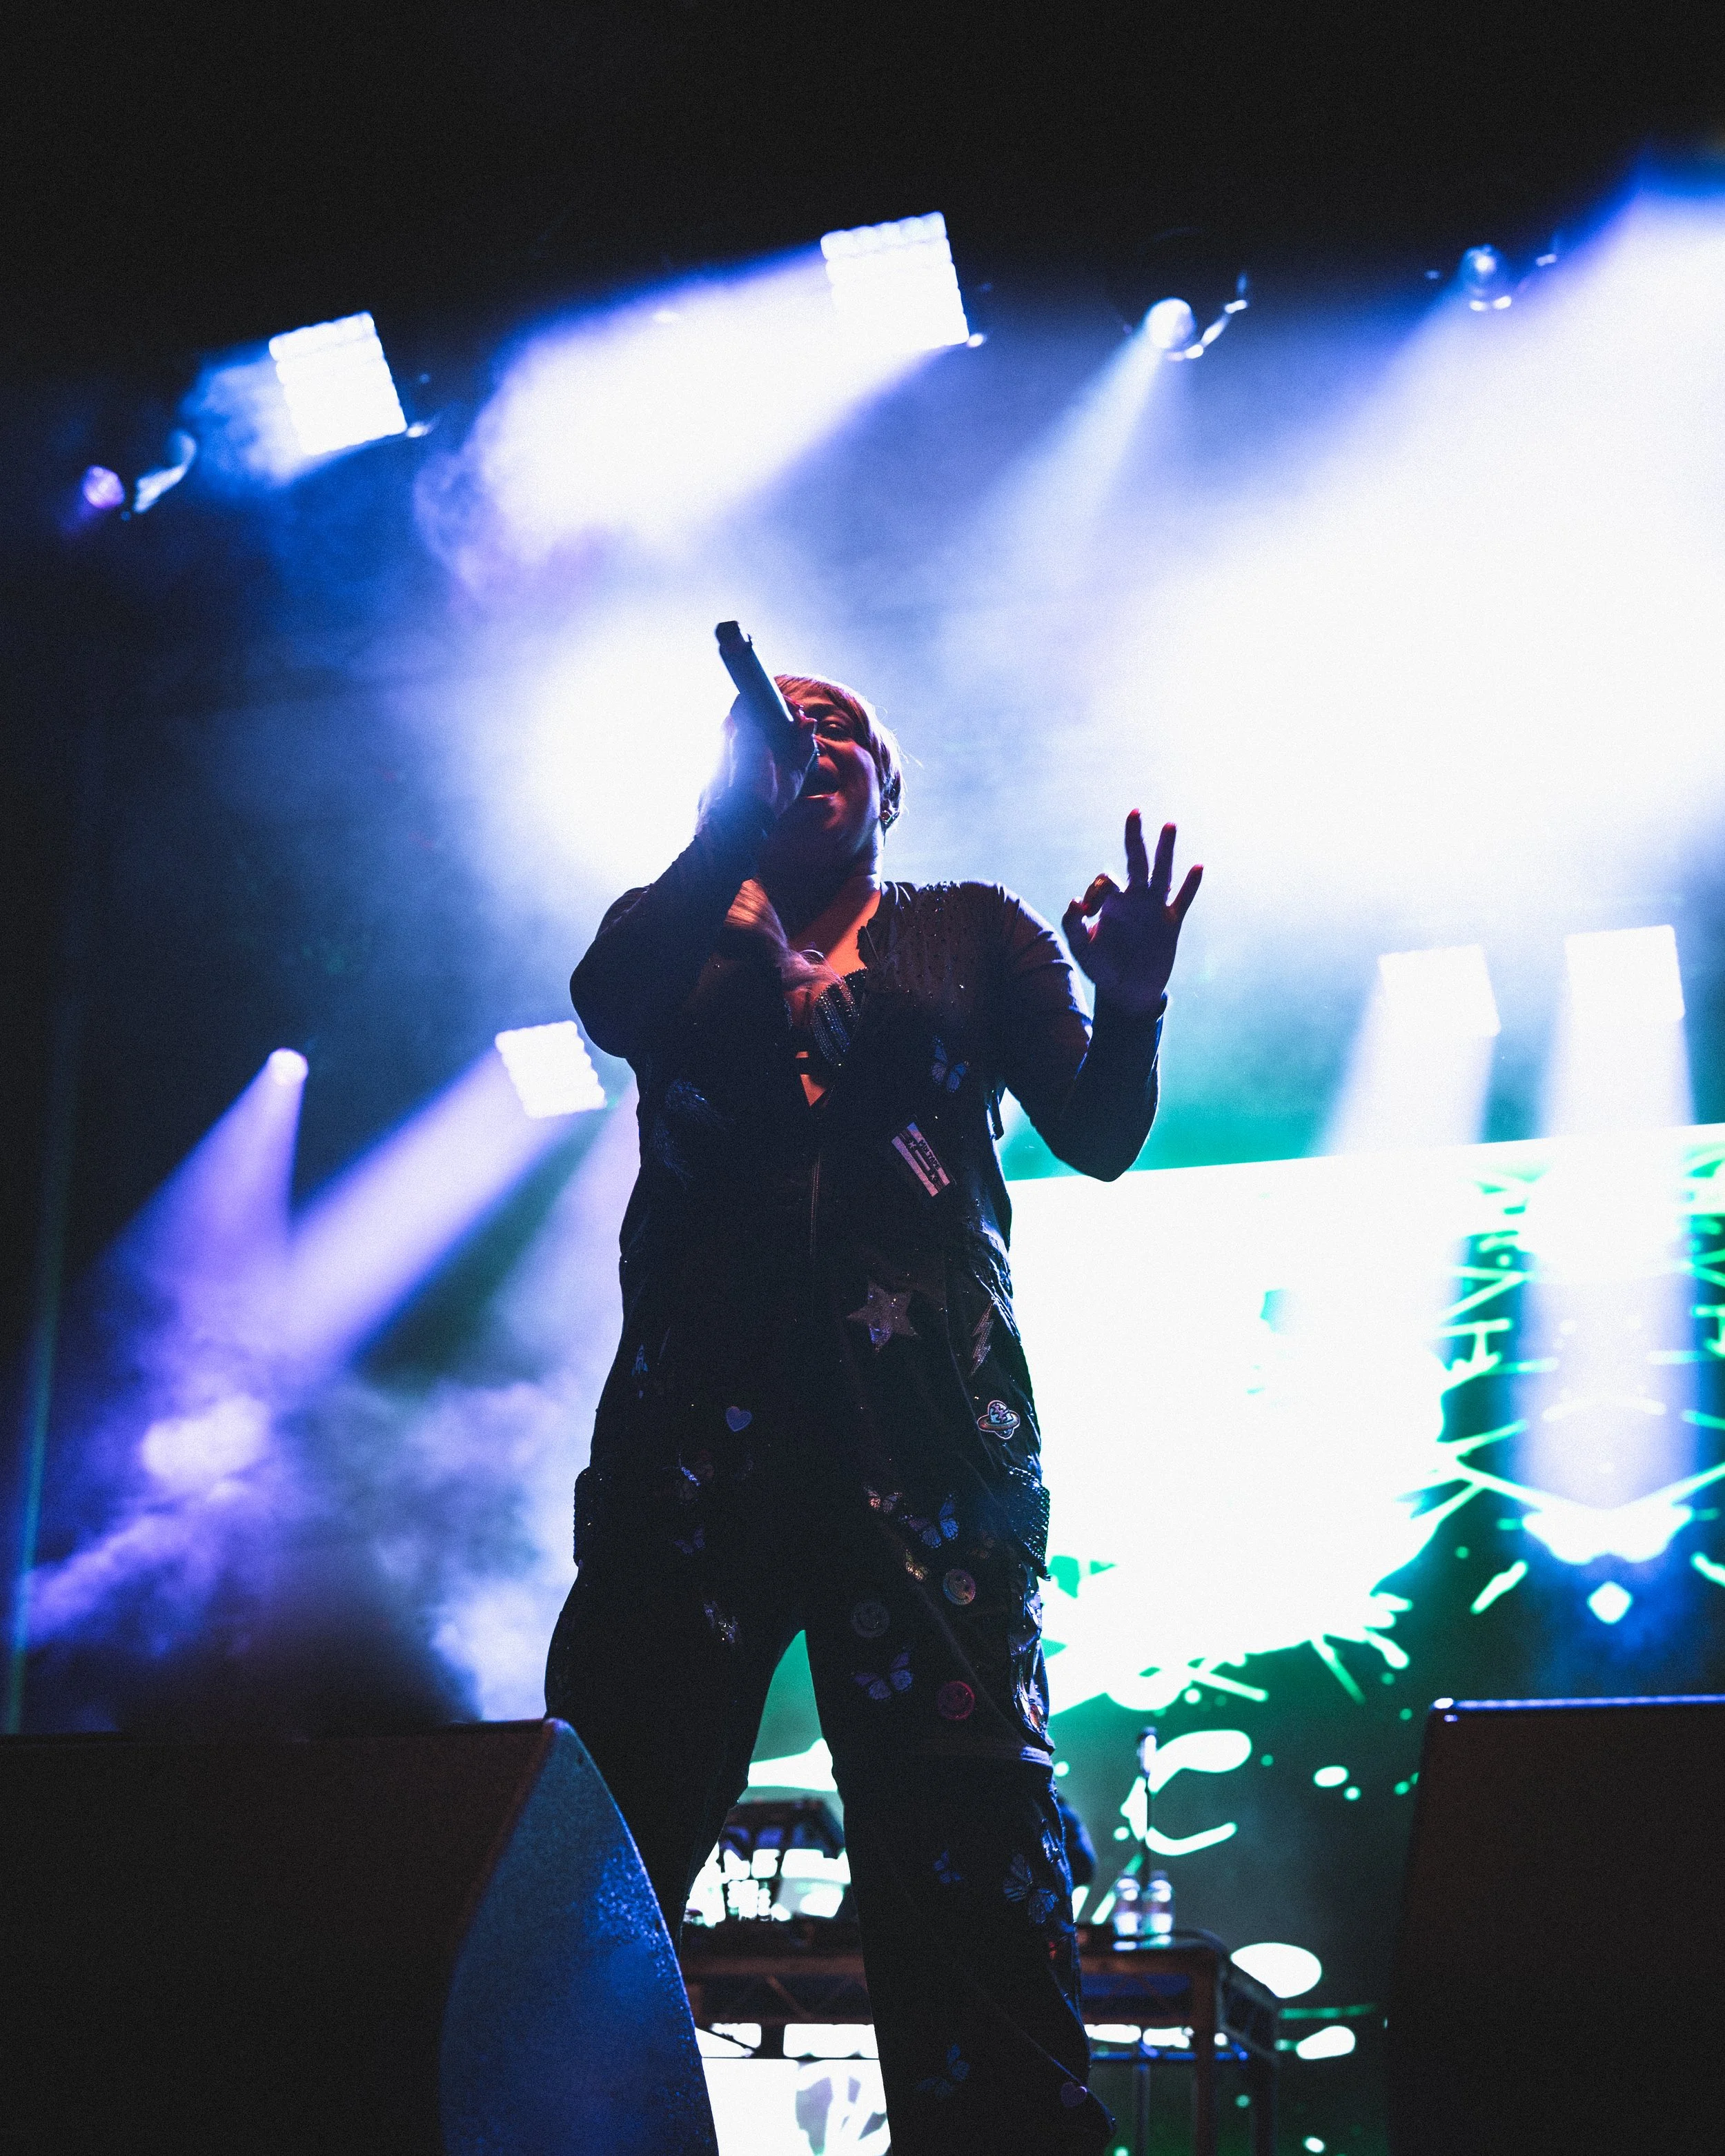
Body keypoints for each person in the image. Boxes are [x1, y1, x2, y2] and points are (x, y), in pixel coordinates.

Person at [546, 671, 1201, 2153]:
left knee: (965, 1849)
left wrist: (1136, 996)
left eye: (842, 728)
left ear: (886, 790)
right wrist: (726, 821)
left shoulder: (970, 929)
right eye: (782, 725)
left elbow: (1097, 1133)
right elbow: (604, 1004)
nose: (812, 740)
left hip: (926, 1451)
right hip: (689, 1456)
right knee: (600, 1838)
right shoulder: (670, 932)